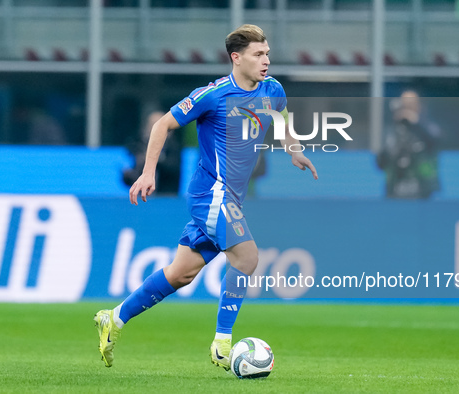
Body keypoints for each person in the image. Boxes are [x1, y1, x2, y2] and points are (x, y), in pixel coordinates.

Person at [93, 24, 317, 370]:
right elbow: (162, 125)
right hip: (210, 195)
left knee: (181, 273)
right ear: (236, 58)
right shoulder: (212, 95)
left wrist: (294, 150)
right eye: (259, 54)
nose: (266, 60)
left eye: (268, 53)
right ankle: (223, 343)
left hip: (231, 199)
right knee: (247, 258)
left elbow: (281, 118)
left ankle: (115, 318)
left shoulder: (272, 89)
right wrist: (149, 171)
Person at [376, 90, 440, 199]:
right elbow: (380, 163)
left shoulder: (427, 127)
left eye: (411, 105)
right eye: (404, 105)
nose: (407, 109)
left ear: (419, 106)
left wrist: (416, 122)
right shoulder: (391, 131)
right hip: (395, 187)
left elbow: (436, 143)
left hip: (423, 188)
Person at [122, 110, 182, 195]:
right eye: (153, 126)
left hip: (166, 197)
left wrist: (154, 160)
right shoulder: (138, 146)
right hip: (143, 198)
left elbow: (173, 170)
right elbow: (135, 177)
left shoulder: (174, 147)